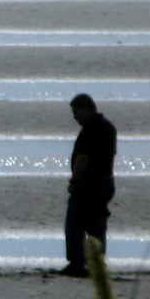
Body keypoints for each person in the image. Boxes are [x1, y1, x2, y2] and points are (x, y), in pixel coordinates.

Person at [61, 93, 117, 277]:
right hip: (105, 182)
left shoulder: (91, 129)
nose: (74, 117)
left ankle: (77, 263)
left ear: (86, 109)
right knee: (96, 225)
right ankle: (97, 263)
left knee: (75, 223)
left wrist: (74, 180)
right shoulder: (109, 128)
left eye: (76, 112)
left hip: (88, 183)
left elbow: (82, 158)